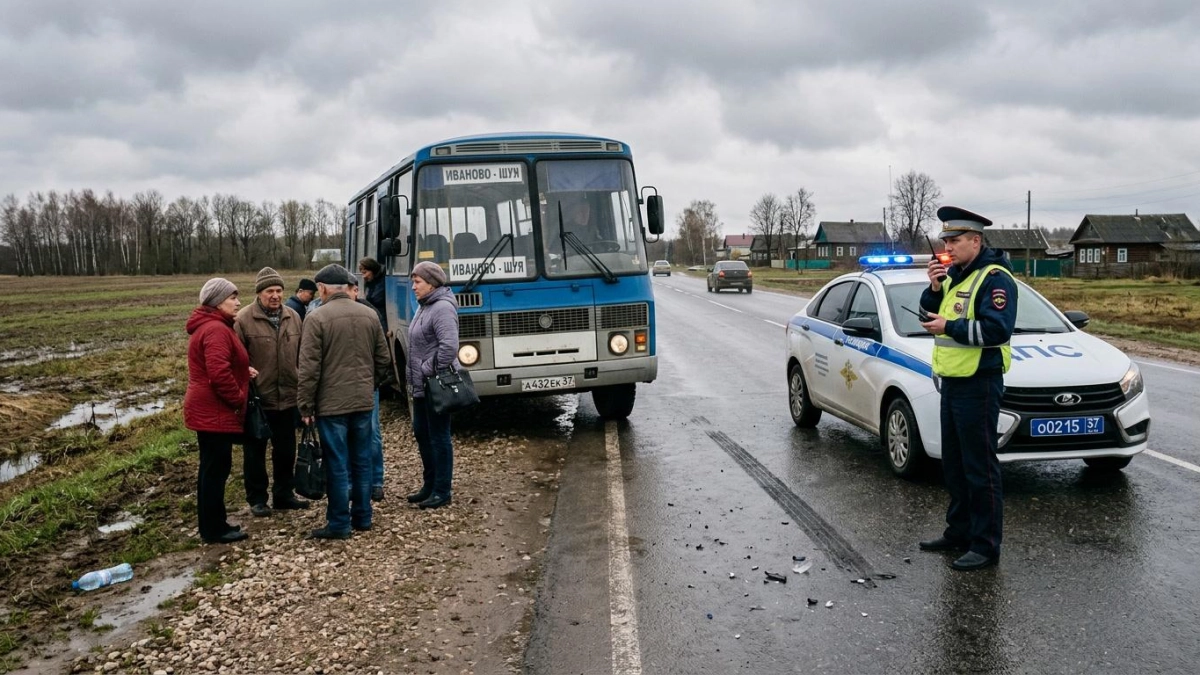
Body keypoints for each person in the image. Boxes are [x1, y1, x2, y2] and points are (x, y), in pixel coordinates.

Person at [917, 206, 1018, 571]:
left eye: (955, 241)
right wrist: (933, 288)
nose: (948, 248)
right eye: (945, 241)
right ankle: (958, 532)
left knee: (980, 468)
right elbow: (929, 316)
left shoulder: (995, 278)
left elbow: (996, 330)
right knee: (955, 466)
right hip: (953, 383)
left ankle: (986, 545)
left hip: (980, 383)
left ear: (976, 241)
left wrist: (949, 327)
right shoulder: (957, 276)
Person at [297, 264, 392, 539]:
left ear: (323, 288)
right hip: (363, 401)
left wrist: (305, 405)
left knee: (337, 463)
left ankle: (339, 523)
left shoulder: (316, 318)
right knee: (362, 460)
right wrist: (369, 384)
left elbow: (309, 368)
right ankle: (363, 517)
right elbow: (384, 359)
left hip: (331, 405)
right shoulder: (369, 315)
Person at [183, 278, 255, 545]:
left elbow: (220, 365)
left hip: (208, 409)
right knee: (215, 471)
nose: (238, 302)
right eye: (232, 298)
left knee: (211, 469)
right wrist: (238, 399)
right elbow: (218, 374)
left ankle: (214, 523)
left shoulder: (213, 326)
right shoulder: (215, 329)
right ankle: (214, 530)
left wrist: (243, 371)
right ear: (216, 302)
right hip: (214, 411)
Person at [234, 267, 310, 517]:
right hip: (258, 399)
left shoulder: (293, 316)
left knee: (286, 450)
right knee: (255, 453)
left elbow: (302, 354)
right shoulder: (243, 320)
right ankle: (257, 499)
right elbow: (235, 358)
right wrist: (245, 373)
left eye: (278, 290)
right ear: (259, 293)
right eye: (269, 291)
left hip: (288, 397)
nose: (275, 295)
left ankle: (284, 494)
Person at [405, 261, 460, 509]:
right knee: (422, 433)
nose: (413, 287)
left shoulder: (442, 308)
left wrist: (427, 370)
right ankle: (429, 485)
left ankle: (442, 490)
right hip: (421, 386)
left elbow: (449, 346)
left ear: (432, 283)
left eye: (417, 282)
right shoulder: (424, 306)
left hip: (435, 384)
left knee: (438, 437)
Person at [347, 275, 387, 502]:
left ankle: (376, 482)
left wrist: (373, 381)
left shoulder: (370, 313)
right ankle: (352, 484)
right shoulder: (324, 313)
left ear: (356, 291)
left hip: (366, 384)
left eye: (351, 289)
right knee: (347, 435)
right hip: (344, 386)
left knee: (371, 434)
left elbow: (382, 354)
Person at [358, 257, 387, 329]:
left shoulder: (384, 279)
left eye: (365, 272)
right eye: (362, 273)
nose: (364, 276)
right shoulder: (369, 282)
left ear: (372, 270)